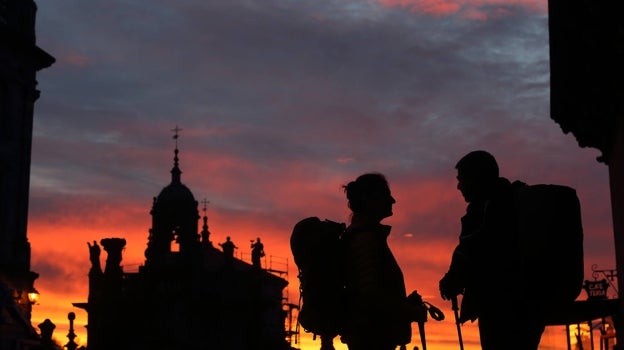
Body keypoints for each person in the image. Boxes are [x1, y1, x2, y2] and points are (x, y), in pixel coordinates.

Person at [439, 150, 545, 349]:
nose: (459, 186)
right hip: (525, 306)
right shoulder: (506, 202)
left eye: (462, 179)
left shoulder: (493, 210)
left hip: (504, 307)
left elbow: (476, 250)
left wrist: (454, 278)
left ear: (478, 178)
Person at [340, 173, 422, 350]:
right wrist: (410, 311)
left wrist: (405, 304)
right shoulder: (366, 240)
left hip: (371, 336)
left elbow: (373, 290)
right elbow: (370, 297)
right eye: (386, 195)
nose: (393, 200)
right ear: (370, 199)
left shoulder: (366, 237)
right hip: (371, 338)